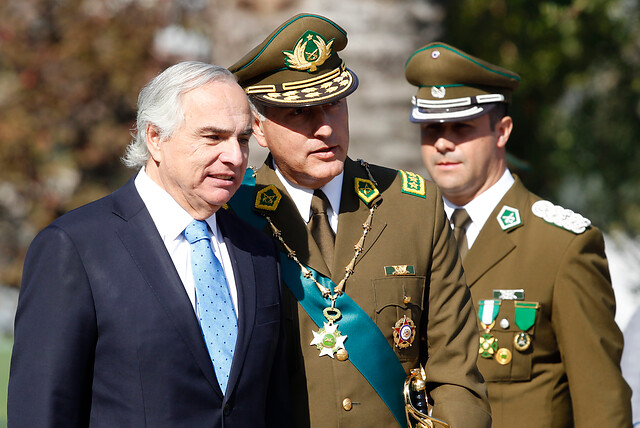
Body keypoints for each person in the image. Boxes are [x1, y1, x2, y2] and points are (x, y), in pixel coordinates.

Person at [227, 13, 491, 428]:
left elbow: (456, 376)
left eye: (334, 104)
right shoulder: (229, 217)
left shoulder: (410, 207)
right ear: (258, 127)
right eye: (300, 113)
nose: (325, 127)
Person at [8, 61, 291, 428]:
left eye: (241, 140)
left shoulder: (258, 249)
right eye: (212, 137)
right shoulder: (74, 247)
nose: (235, 157)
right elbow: (42, 411)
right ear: (155, 137)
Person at [405, 42, 632, 427]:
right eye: (431, 128)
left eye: (461, 127)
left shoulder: (561, 246)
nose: (443, 142)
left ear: (502, 131)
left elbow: (602, 404)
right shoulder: (407, 234)